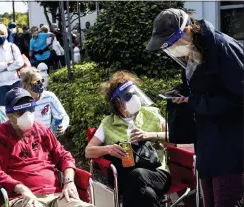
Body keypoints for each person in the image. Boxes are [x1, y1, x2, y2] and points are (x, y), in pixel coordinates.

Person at [146, 8, 243, 207]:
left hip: (230, 145)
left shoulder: (222, 46)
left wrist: (194, 102)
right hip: (208, 142)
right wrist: (182, 92)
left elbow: (238, 97)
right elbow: (200, 86)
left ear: (188, 30)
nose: (172, 49)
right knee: (210, 199)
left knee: (226, 199)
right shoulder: (194, 51)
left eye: (172, 43)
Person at [0, 87, 94, 207]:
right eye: (21, 112)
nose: (28, 114)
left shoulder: (41, 129)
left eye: (30, 109)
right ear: (9, 115)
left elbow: (63, 156)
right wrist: (21, 189)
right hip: (21, 198)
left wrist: (69, 181)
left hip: (55, 196)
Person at [85, 71, 172, 207]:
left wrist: (149, 135)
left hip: (157, 173)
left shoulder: (151, 114)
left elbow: (172, 137)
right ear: (118, 103)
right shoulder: (108, 123)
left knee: (138, 176)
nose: (134, 98)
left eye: (134, 93)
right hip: (124, 177)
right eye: (128, 96)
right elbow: (88, 151)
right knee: (147, 194)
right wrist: (109, 149)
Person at [0, 23, 24, 126]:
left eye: (2, 33)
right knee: (2, 111)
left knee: (17, 109)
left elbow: (19, 62)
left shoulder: (13, 47)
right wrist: (8, 63)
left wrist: (2, 67)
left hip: (14, 81)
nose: (0, 36)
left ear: (6, 34)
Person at [20, 67, 69, 136]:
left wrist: (63, 126)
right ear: (28, 85)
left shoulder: (49, 96)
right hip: (30, 138)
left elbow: (63, 116)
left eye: (42, 80)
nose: (41, 84)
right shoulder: (21, 101)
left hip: (46, 136)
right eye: (37, 82)